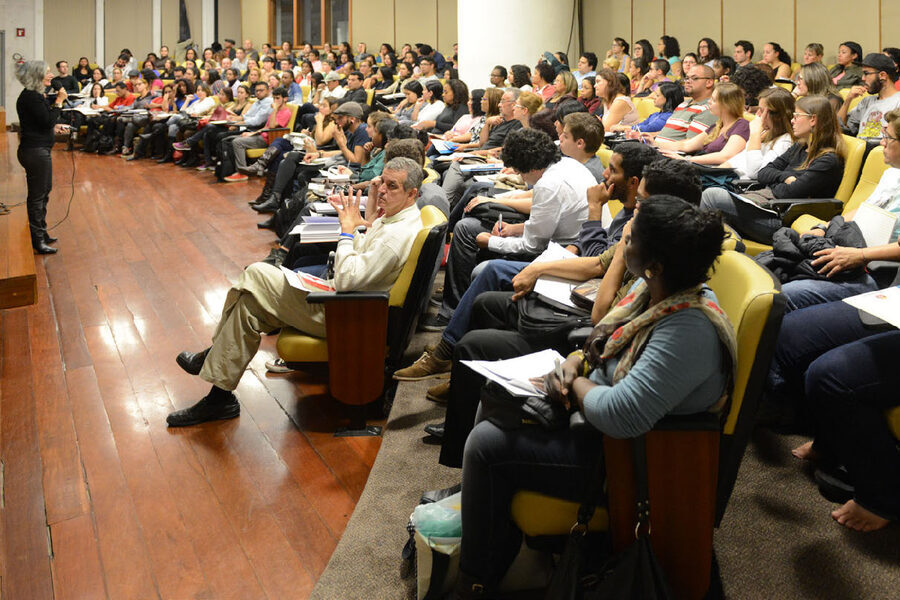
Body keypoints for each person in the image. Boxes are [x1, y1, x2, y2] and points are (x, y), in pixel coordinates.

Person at [452, 195, 734, 596]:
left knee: (485, 445)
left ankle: (475, 579)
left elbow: (621, 415)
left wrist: (574, 382)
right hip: (606, 431)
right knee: (497, 396)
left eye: (629, 240)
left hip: (636, 461)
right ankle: (505, 545)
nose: (621, 243)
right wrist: (575, 363)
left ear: (654, 263)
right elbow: (606, 344)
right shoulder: (655, 289)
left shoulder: (687, 328)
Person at [167, 157, 425, 427]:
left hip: (348, 316)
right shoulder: (396, 219)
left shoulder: (396, 235)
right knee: (248, 306)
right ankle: (220, 398)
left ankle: (212, 355)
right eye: (382, 182)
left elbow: (349, 278)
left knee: (256, 273)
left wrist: (348, 231)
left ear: (412, 194)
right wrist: (357, 227)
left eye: (391, 185)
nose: (382, 189)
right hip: (344, 303)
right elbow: (360, 260)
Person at [434, 128, 594, 325]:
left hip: (561, 255)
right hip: (569, 243)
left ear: (531, 168)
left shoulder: (548, 184)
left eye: (519, 172)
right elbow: (552, 222)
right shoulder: (568, 164)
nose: (521, 178)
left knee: (467, 230)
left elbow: (532, 246)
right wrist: (514, 229)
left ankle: (455, 312)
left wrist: (490, 242)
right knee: (467, 227)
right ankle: (458, 307)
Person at [700, 95, 844, 244]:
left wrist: (778, 180)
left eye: (797, 116)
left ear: (813, 119)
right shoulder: (799, 147)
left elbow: (787, 193)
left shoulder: (828, 160)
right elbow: (763, 173)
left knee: (713, 196)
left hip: (782, 220)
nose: (792, 120)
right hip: (765, 205)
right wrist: (785, 177)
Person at [15, 61, 68, 254]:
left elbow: (41, 122)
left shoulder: (35, 95)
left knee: (45, 191)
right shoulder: (31, 97)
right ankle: (37, 240)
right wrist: (60, 100)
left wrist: (53, 127)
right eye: (47, 72)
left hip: (38, 149)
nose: (51, 75)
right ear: (36, 75)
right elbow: (47, 119)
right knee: (37, 197)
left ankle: (42, 233)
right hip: (35, 151)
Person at [659, 82, 749, 165]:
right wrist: (654, 144)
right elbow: (686, 145)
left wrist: (687, 159)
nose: (709, 102)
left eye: (713, 100)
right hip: (702, 168)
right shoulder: (716, 126)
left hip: (716, 175)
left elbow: (726, 156)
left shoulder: (742, 125)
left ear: (727, 105)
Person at [722, 87, 796, 179]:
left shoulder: (785, 141)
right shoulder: (766, 133)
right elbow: (740, 159)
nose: (757, 114)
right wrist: (715, 171)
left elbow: (756, 173)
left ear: (775, 115)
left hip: (743, 186)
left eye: (761, 110)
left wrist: (755, 134)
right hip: (730, 177)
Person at [653, 64, 718, 147]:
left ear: (709, 82)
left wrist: (656, 145)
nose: (687, 81)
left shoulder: (709, 108)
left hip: (670, 155)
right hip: (657, 149)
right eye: (687, 78)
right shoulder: (683, 104)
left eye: (694, 78)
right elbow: (668, 133)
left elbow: (690, 144)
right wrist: (647, 137)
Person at [838, 53, 900, 140]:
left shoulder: (898, 102)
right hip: (860, 149)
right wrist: (848, 100)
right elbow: (839, 127)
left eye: (866, 73)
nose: (863, 78)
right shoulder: (866, 101)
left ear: (883, 75)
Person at [618, 81, 683, 134]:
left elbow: (648, 129)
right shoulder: (655, 115)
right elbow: (640, 125)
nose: (654, 97)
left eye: (657, 95)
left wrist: (623, 128)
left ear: (668, 99)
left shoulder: (669, 117)